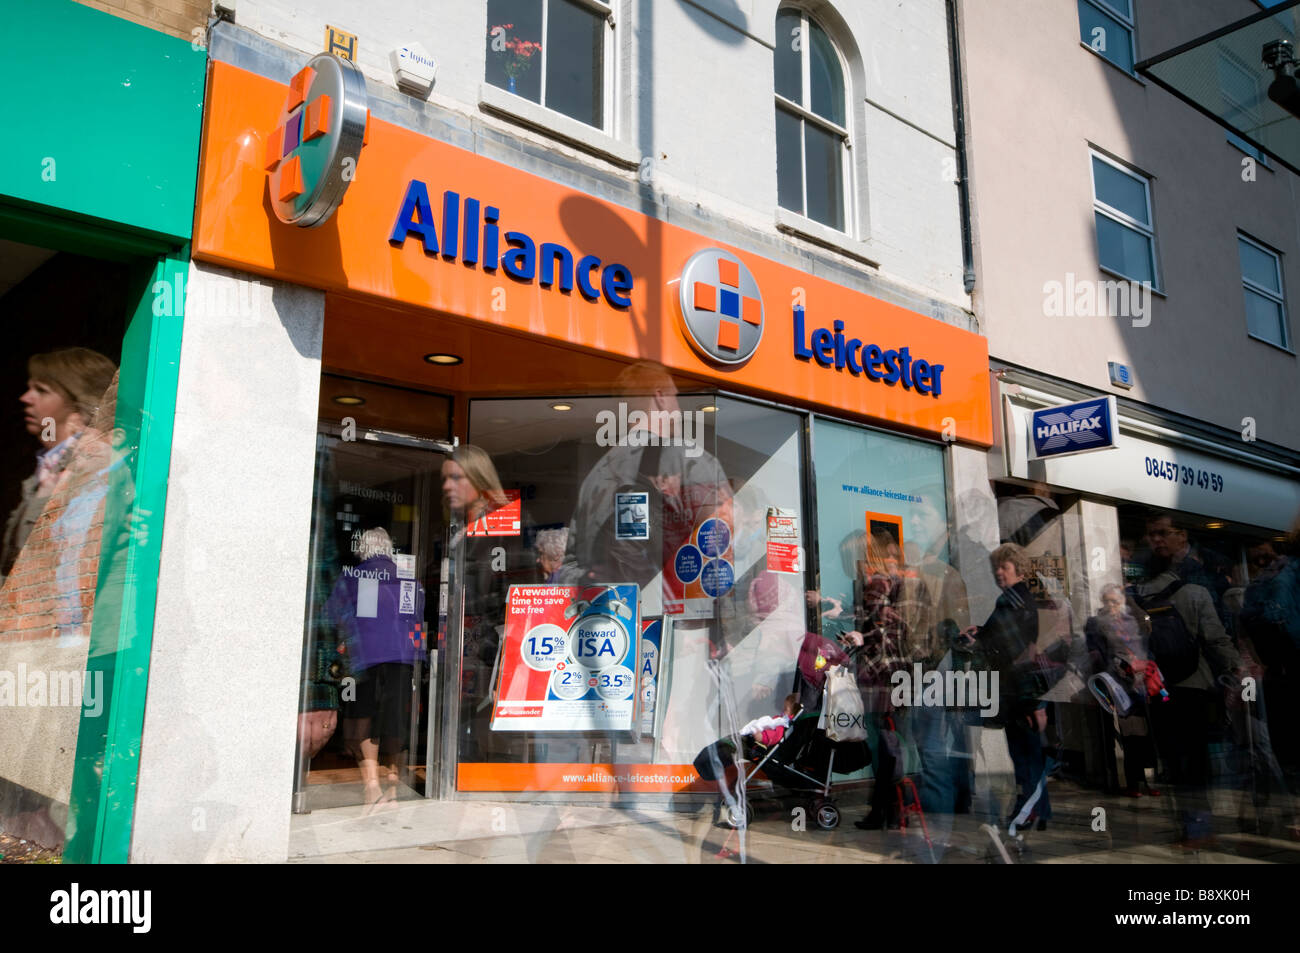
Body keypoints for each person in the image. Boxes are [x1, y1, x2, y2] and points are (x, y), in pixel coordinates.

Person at [1136, 512, 1242, 848]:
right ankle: (1197, 827)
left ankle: (1193, 826)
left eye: (1162, 533)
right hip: (1189, 687)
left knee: (1180, 759)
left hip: (1166, 689)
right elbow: (1217, 638)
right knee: (1192, 759)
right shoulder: (1192, 588)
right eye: (1152, 534)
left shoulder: (1141, 593)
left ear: (1182, 537)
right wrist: (1238, 670)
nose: (1157, 540)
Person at [325, 526, 426, 813]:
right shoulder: (409, 580)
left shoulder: (356, 577)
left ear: (363, 549)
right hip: (402, 659)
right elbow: (416, 620)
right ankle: (393, 786)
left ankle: (372, 786)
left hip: (365, 657)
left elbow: (332, 616)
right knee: (394, 721)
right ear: (389, 548)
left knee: (365, 716)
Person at [2, 348, 117, 585]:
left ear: (78, 404)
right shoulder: (46, 464)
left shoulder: (92, 466)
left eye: (42, 391)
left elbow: (51, 566)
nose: (26, 398)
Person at [958, 542, 1050, 832]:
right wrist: (983, 632)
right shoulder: (1019, 598)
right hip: (1019, 690)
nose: (999, 572)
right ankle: (1038, 810)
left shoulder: (1012, 601)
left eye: (1005, 567)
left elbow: (1012, 648)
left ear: (1018, 570)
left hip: (1017, 689)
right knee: (1028, 751)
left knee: (1024, 753)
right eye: (996, 567)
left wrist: (981, 643)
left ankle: (1029, 810)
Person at [1085, 583, 1162, 796]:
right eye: (1107, 601)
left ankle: (1147, 780)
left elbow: (1146, 632)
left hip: (1141, 681)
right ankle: (1132, 781)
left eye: (1116, 601)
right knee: (1128, 733)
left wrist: (1130, 599)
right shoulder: (1097, 622)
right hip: (1118, 683)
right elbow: (1096, 653)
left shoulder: (1132, 619)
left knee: (1145, 732)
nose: (1112, 605)